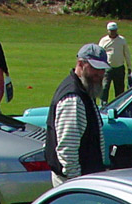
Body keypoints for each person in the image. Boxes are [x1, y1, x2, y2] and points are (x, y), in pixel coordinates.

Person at [45, 43, 109, 185]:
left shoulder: (85, 90)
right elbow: (67, 149)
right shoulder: (73, 98)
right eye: (94, 68)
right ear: (80, 64)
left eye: (102, 69)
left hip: (83, 178)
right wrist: (77, 183)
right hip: (74, 181)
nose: (99, 74)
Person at [99, 22, 132, 104]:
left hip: (119, 68)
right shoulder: (103, 41)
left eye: (114, 30)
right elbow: (99, 54)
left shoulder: (122, 40)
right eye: (111, 31)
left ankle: (119, 105)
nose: (113, 32)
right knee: (104, 87)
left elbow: (126, 54)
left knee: (120, 89)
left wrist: (129, 67)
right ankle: (103, 104)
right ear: (108, 31)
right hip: (107, 68)